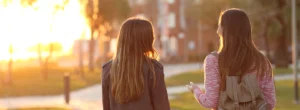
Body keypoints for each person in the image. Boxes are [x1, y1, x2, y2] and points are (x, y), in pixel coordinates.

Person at [187, 8, 276, 109]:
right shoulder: (262, 61)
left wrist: (195, 91)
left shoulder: (214, 60)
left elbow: (211, 102)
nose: (217, 30)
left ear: (224, 30)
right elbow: (270, 102)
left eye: (219, 25)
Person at [102, 17, 170, 110]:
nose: (153, 38)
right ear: (145, 40)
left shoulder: (107, 69)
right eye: (150, 35)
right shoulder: (153, 69)